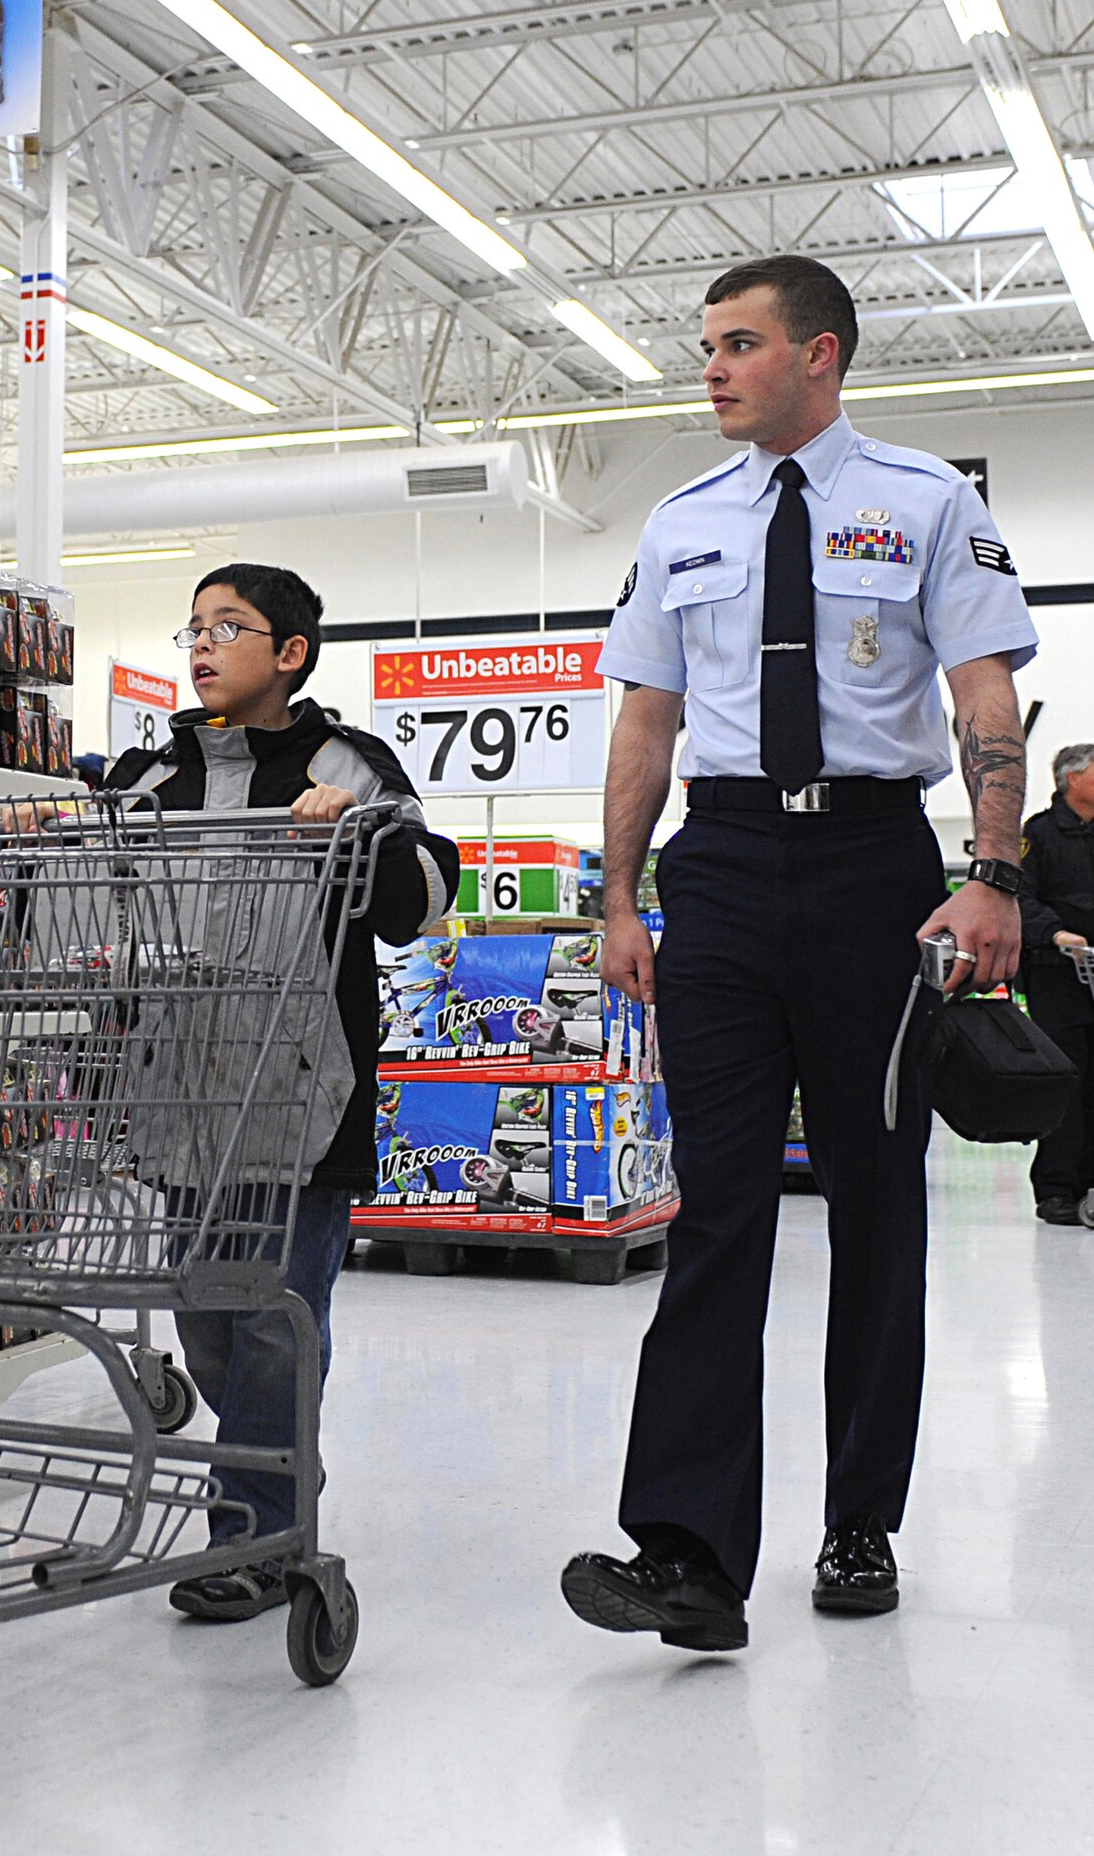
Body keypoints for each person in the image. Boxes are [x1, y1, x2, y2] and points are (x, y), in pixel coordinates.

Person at [559, 254, 1038, 1653]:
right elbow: (647, 721)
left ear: (819, 355)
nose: (710, 367)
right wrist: (621, 898)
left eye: (738, 344)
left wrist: (992, 869)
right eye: (706, 344)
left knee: (878, 1206)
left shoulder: (927, 504)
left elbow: (982, 692)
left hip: (872, 872)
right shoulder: (682, 521)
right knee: (718, 1208)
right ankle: (691, 1556)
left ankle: (860, 1523)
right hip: (718, 867)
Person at [105, 563, 459, 1622]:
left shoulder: (349, 760)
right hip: (184, 1097)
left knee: (275, 1325)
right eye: (195, 627)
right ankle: (271, 1461)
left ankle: (253, 1532)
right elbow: (99, 891)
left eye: (230, 626)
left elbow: (426, 899)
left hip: (305, 1094)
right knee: (208, 1325)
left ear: (291, 652)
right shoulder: (152, 773)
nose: (203, 644)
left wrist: (364, 830)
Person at [1017, 745, 1094, 1225]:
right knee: (1068, 1080)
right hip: (1057, 975)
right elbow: (1019, 897)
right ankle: (1057, 1188)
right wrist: (1056, 933)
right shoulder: (1038, 835)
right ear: (1073, 779)